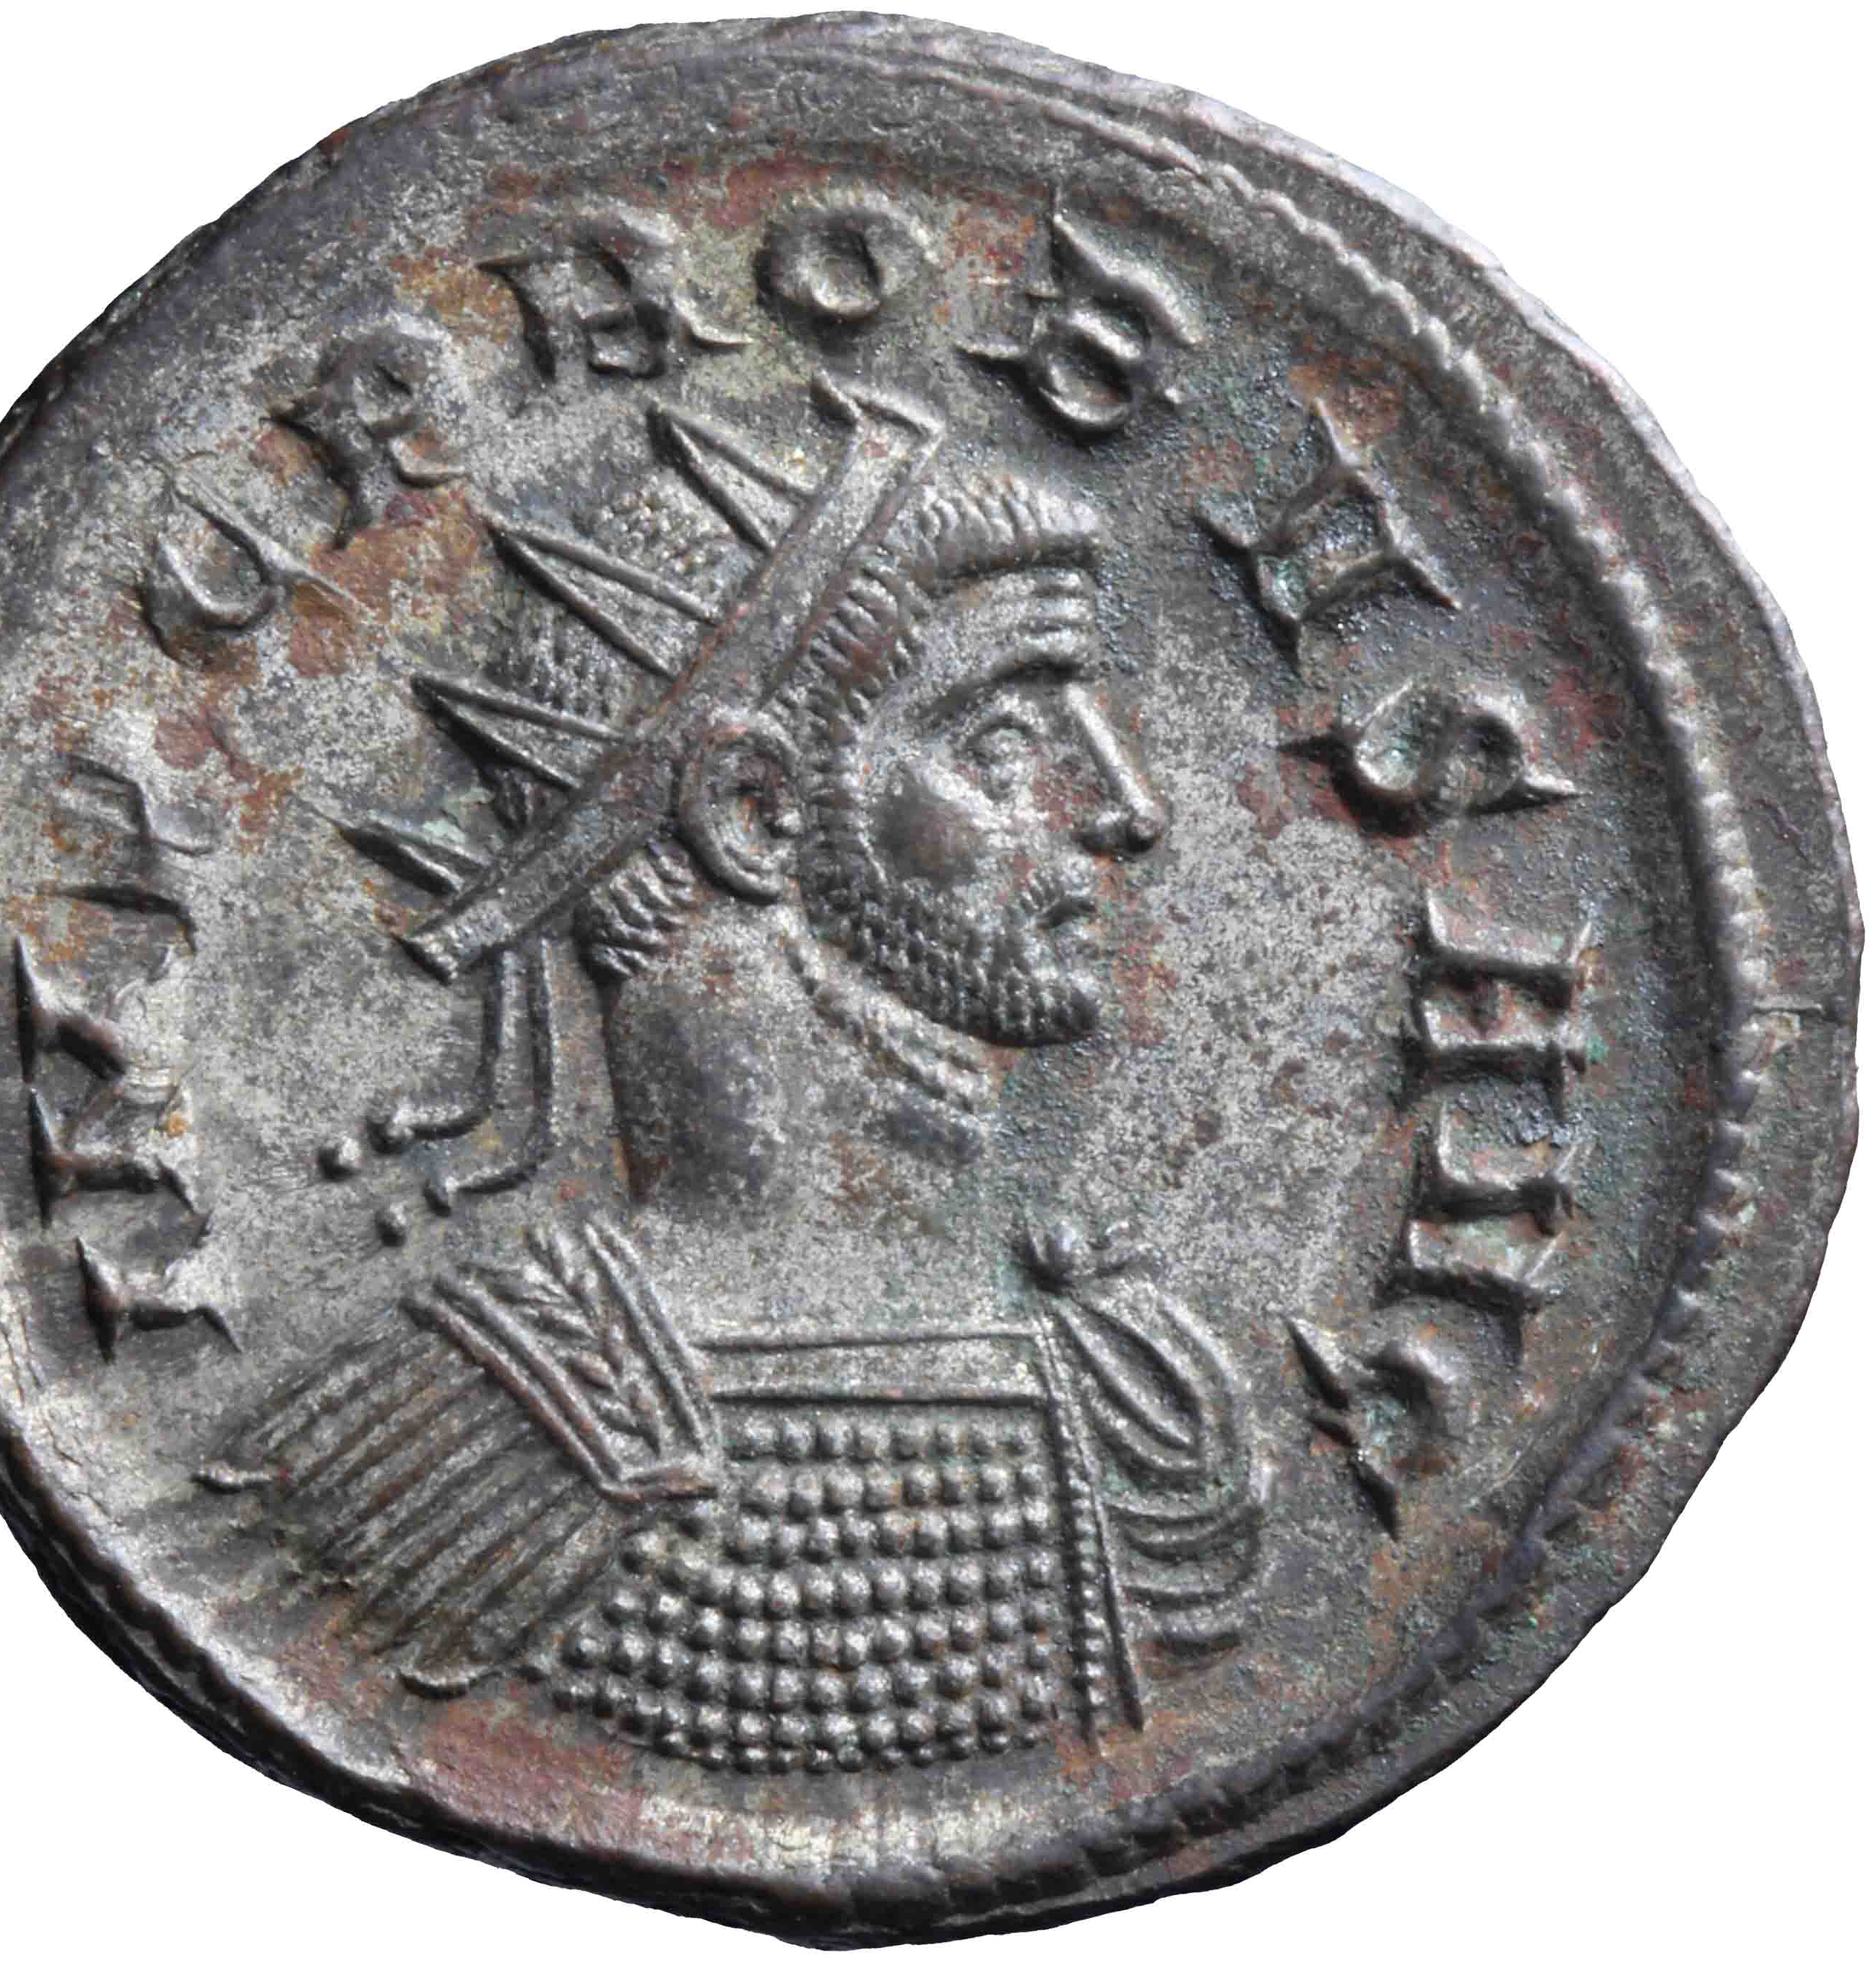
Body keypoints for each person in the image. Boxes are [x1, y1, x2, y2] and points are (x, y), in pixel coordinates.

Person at [205, 385, 1263, 1774]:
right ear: (753, 810)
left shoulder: (1140, 1423)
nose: (1123, 807)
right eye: (1002, 744)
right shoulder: (471, 1446)